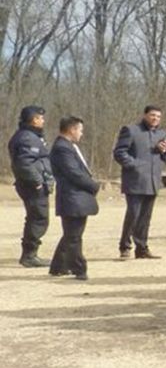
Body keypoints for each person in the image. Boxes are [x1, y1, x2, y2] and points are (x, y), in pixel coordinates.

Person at [112, 105, 166, 259]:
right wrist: (135, 165)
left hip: (153, 181)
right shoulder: (131, 130)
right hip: (135, 181)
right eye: (152, 115)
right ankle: (125, 247)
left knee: (146, 217)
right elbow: (119, 152)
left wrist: (164, 151)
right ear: (145, 115)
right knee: (133, 214)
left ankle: (142, 248)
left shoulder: (161, 133)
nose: (155, 119)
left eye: (158, 116)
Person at [48, 116, 100, 281]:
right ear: (72, 129)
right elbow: (73, 173)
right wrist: (93, 185)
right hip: (72, 197)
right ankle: (79, 268)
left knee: (72, 233)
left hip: (76, 197)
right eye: (80, 130)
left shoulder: (68, 146)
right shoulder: (62, 148)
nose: (81, 134)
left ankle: (58, 266)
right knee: (74, 236)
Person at [8, 105, 54, 268]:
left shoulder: (31, 136)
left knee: (36, 217)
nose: (43, 120)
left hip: (33, 184)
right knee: (38, 218)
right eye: (41, 118)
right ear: (34, 119)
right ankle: (29, 255)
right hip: (32, 185)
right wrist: (37, 181)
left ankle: (30, 253)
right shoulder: (27, 138)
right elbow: (24, 163)